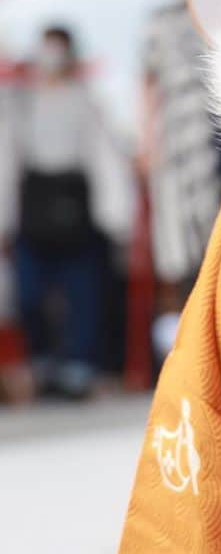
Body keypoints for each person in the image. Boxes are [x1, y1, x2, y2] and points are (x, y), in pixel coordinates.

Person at [1, 25, 131, 398]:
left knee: (82, 295)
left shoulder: (86, 100)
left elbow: (104, 159)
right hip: (32, 209)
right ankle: (42, 362)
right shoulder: (20, 102)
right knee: (28, 295)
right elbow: (7, 159)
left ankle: (77, 369)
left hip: (77, 210)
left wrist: (116, 215)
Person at [140, 0, 221, 363]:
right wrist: (149, 143)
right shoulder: (160, 21)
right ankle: (195, 356)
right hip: (182, 147)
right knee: (187, 249)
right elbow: (147, 84)